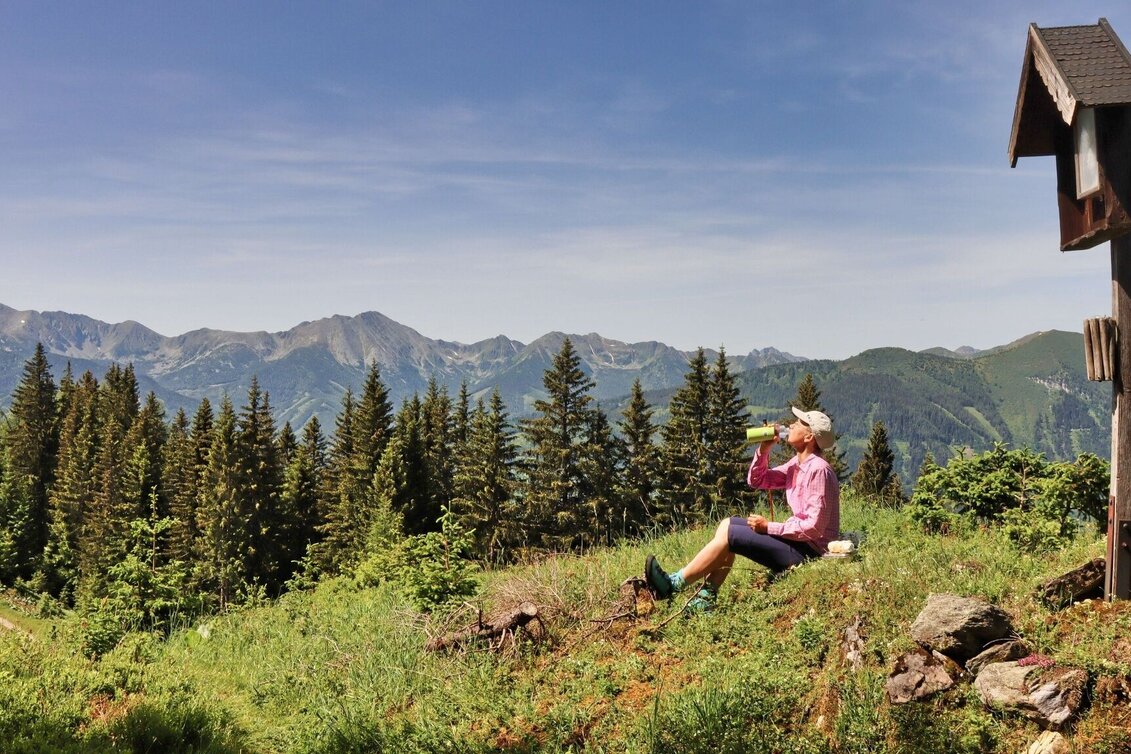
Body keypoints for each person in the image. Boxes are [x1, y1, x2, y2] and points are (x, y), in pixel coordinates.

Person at [644, 407, 840, 613]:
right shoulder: (797, 465)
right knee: (727, 524)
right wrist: (764, 450)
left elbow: (814, 527)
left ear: (809, 436)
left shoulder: (818, 470)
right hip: (798, 544)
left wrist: (768, 527)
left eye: (799, 422)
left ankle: (673, 585)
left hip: (809, 552)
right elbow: (758, 480)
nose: (791, 424)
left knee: (731, 534)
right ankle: (704, 598)